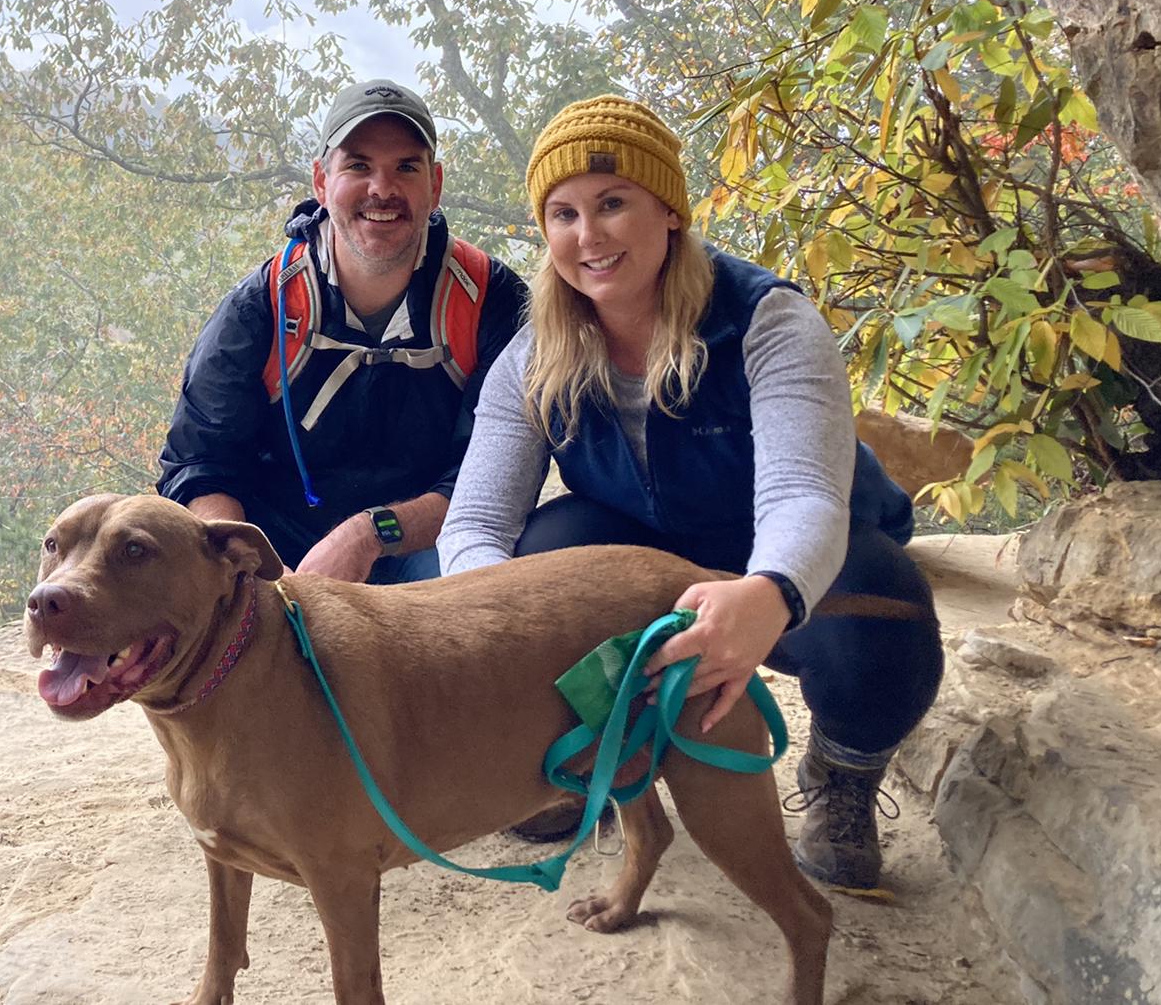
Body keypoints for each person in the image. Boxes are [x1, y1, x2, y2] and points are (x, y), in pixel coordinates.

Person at [437, 95, 944, 891]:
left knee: (884, 610)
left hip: (801, 548)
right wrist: (501, 631)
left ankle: (842, 770)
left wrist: (769, 593)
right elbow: (474, 524)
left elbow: (805, 495)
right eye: (564, 214)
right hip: (656, 553)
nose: (588, 235)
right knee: (543, 554)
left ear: (669, 210)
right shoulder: (533, 356)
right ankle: (591, 754)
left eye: (613, 203)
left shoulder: (767, 320)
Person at [157, 79, 529, 584]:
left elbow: (491, 481)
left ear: (435, 185)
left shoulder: (489, 300)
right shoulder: (263, 306)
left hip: (425, 548)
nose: (382, 189)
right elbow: (199, 462)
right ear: (321, 180)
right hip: (277, 550)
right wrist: (258, 576)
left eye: (406, 167)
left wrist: (369, 534)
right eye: (358, 166)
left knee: (502, 563)